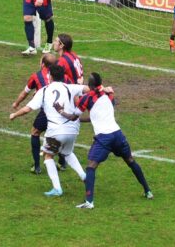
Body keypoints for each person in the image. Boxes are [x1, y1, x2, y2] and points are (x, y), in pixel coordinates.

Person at [54, 72, 153, 209]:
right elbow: (96, 116)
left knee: (91, 166)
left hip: (104, 138)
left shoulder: (86, 98)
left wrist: (60, 111)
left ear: (89, 85)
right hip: (118, 134)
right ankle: (148, 191)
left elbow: (72, 117)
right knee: (130, 161)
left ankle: (89, 202)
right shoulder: (109, 94)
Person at [9, 64, 86, 197]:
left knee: (48, 156)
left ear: (50, 76)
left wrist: (14, 115)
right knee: (67, 153)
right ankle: (84, 176)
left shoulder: (44, 91)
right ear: (63, 77)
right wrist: (102, 89)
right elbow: (87, 89)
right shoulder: (71, 87)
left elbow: (28, 108)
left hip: (56, 130)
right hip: (73, 129)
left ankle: (57, 189)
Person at [11, 53, 64, 175]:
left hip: (47, 111)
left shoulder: (36, 76)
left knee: (35, 132)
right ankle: (62, 162)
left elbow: (25, 93)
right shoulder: (60, 75)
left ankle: (37, 166)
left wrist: (16, 104)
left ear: (43, 64)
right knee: (58, 132)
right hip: (62, 109)